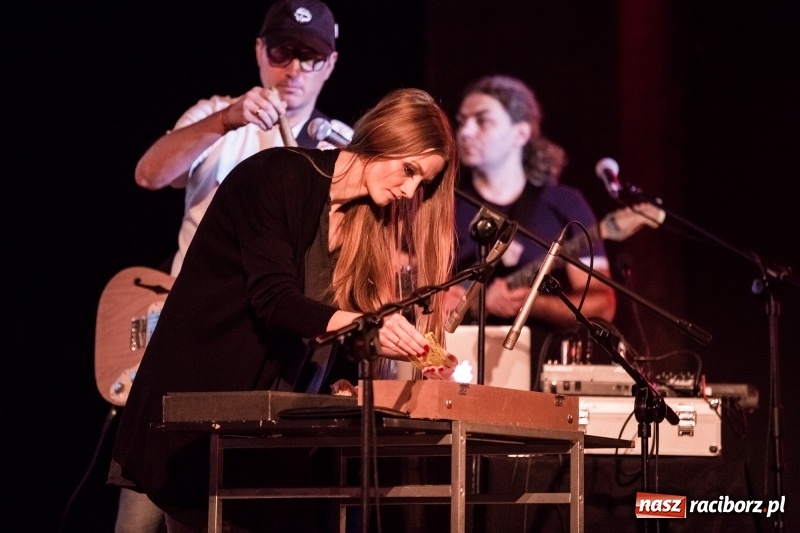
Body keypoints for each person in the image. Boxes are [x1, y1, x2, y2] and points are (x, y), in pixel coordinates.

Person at [109, 87, 459, 532]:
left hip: (259, 425)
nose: (409, 190)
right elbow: (275, 301)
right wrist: (366, 327)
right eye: (409, 170)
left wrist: (400, 349)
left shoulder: (364, 225)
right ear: (383, 135)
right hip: (192, 397)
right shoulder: (278, 174)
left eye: (422, 183)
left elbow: (330, 333)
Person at [115, 1, 352, 530]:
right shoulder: (218, 114)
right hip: (190, 329)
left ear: (330, 65)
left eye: (309, 57)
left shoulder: (339, 145)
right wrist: (223, 121)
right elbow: (150, 175)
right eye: (281, 52)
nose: (292, 70)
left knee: (221, 501)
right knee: (148, 487)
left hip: (268, 347)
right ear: (258, 52)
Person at [447, 74, 617, 389]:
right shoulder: (445, 203)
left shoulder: (564, 204)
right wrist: (441, 298)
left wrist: (533, 303)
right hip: (455, 369)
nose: (465, 132)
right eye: (462, 122)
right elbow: (404, 276)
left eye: (482, 121)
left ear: (521, 132)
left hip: (541, 372)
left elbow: (602, 303)